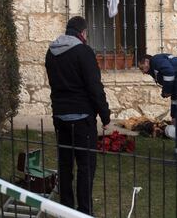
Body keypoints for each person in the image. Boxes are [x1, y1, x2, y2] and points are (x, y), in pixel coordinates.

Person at [45, 16, 110, 214]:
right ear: (82, 33)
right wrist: (105, 115)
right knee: (86, 165)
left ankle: (65, 207)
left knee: (65, 164)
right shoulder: (83, 51)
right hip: (82, 117)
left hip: (60, 115)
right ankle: (83, 210)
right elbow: (94, 87)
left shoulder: (51, 52)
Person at [138, 54, 177, 159]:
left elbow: (169, 72)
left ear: (147, 61)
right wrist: (173, 115)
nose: (143, 72)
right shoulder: (160, 63)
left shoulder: (155, 60)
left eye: (142, 68)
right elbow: (174, 95)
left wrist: (166, 91)